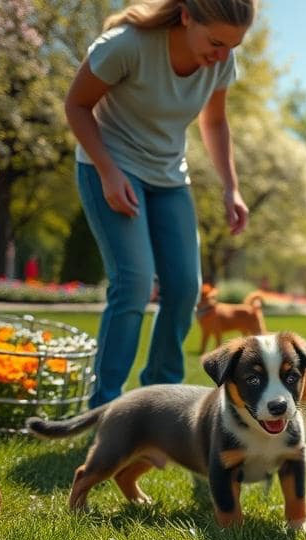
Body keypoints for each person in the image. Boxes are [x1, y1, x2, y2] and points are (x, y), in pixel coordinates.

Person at [66, 0, 253, 408]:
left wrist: (230, 187)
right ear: (186, 16)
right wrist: (108, 172)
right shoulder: (126, 45)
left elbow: (215, 121)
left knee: (185, 288)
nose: (222, 56)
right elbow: (76, 106)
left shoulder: (221, 59)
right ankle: (106, 407)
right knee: (133, 283)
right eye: (216, 42)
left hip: (168, 176)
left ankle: (160, 403)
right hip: (111, 164)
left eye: (233, 46)